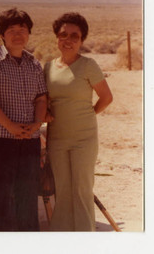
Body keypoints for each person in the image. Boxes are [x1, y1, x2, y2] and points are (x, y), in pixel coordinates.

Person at [0, 8, 48, 231]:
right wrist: (11, 127)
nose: (18, 35)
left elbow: (41, 98)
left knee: (27, 199)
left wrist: (37, 124)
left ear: (29, 33)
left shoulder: (34, 64)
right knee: (1, 200)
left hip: (29, 141)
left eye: (22, 30)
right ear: (2, 35)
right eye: (12, 30)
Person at [44, 12, 113, 231]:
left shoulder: (88, 65)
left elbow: (106, 97)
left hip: (84, 138)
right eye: (63, 34)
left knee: (82, 190)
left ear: (81, 40)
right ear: (57, 37)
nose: (68, 39)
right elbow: (44, 101)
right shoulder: (48, 68)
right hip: (57, 139)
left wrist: (90, 113)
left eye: (75, 35)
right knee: (62, 191)